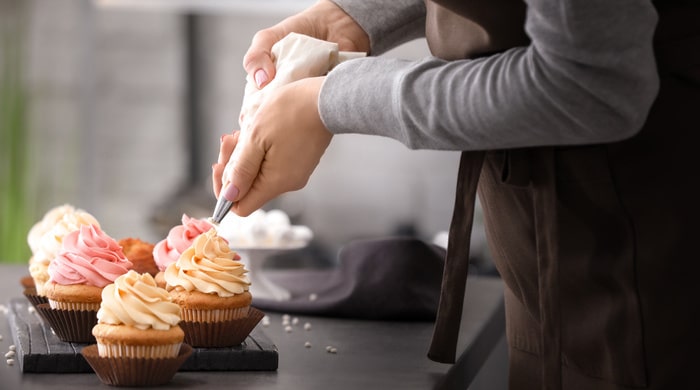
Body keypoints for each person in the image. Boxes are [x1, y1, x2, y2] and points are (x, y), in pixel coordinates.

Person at [212, 0, 699, 389]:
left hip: (646, 266)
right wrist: (352, 17)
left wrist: (330, 100)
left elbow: (592, 84)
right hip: (547, 268)